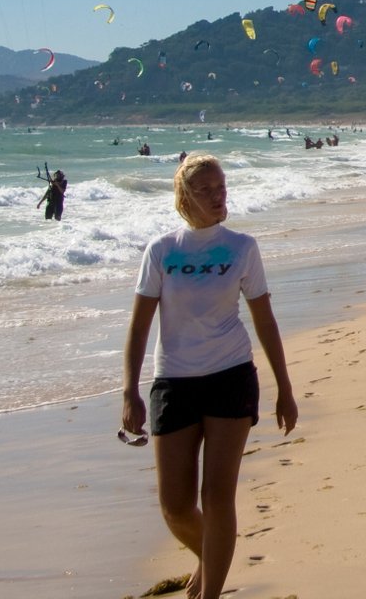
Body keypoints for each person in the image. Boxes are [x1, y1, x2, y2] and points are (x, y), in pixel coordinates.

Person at [121, 155, 297, 599]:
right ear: (185, 197)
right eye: (207, 190)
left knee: (218, 496)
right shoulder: (162, 250)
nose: (219, 196)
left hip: (231, 377)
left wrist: (285, 389)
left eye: (221, 187)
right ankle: (211, 555)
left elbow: (266, 321)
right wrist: (130, 390)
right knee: (176, 506)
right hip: (173, 382)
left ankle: (210, 594)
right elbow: (140, 325)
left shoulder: (242, 247)